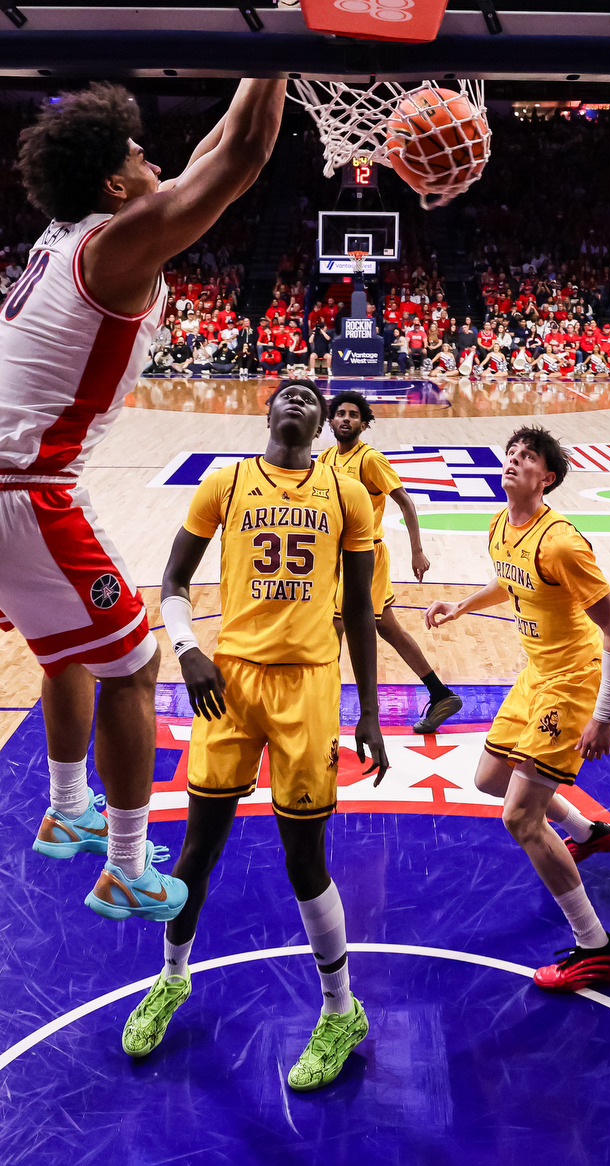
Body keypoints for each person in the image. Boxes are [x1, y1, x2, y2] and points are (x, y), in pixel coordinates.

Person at [0, 80, 288, 929]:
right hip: (20, 496)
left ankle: (67, 808)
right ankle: (126, 866)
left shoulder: (71, 236)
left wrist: (262, 69)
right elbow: (235, 161)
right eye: (136, 154)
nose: (154, 159)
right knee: (131, 664)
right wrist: (280, 55)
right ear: (118, 189)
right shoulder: (114, 248)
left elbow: (208, 154)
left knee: (70, 650)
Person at [131, 379, 388, 1090]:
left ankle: (341, 1010)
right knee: (196, 852)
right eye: (290, 394)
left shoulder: (349, 494)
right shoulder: (226, 481)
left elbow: (361, 612)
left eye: (313, 394)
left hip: (308, 684)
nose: (302, 401)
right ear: (268, 413)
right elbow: (174, 579)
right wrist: (186, 649)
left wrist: (368, 709)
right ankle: (172, 979)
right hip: (230, 682)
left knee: (305, 860)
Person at [424, 427, 610, 991]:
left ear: (549, 479)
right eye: (511, 454)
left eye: (529, 459)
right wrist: (462, 605)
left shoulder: (561, 542)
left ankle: (596, 948)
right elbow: (510, 581)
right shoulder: (499, 525)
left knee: (519, 816)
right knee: (490, 778)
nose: (515, 462)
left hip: (574, 681)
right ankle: (589, 832)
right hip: (536, 674)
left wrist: (605, 713)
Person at [319, 390, 465, 733]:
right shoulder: (325, 458)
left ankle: (325, 707)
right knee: (387, 628)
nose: (346, 419)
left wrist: (416, 550)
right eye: (340, 413)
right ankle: (441, 694)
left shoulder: (370, 459)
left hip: (365, 557)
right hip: (337, 558)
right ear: (330, 421)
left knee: (335, 627)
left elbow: (405, 502)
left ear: (364, 424)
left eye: (354, 415)